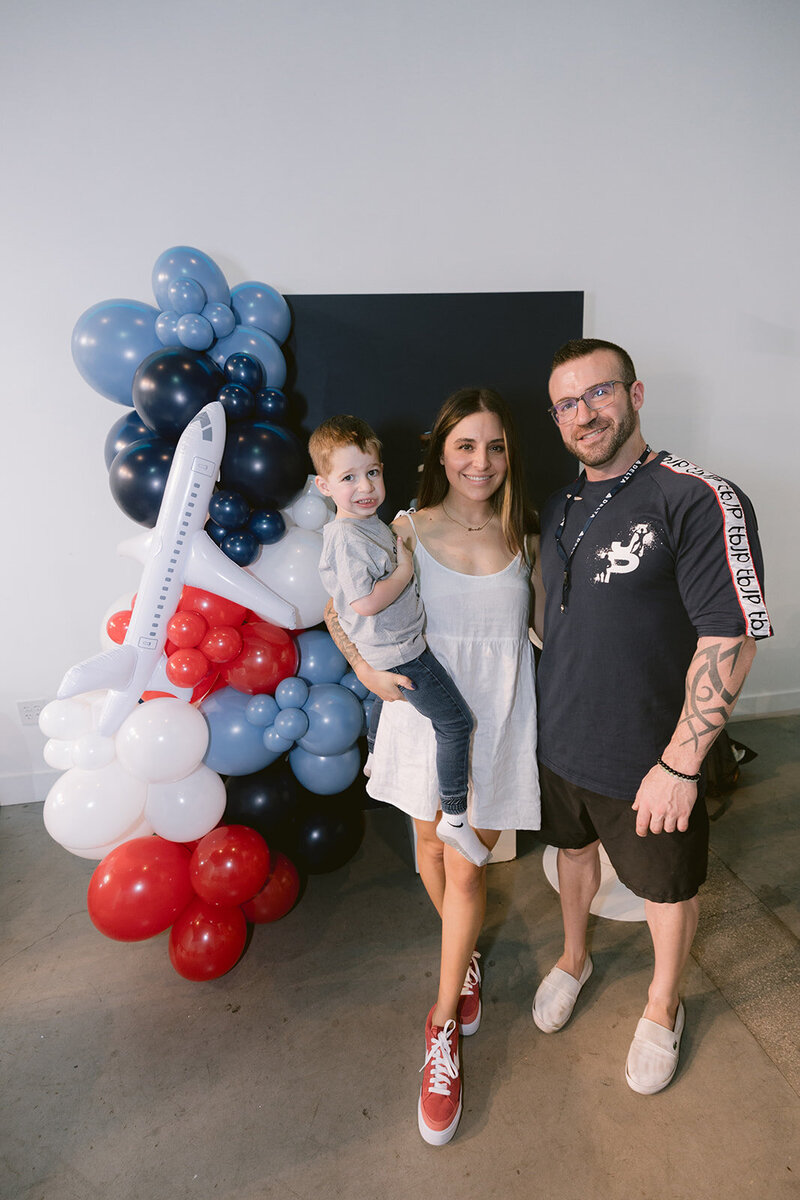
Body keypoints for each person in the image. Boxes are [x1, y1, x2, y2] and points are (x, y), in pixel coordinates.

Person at [533, 337, 772, 1095]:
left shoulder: (697, 496)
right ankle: (575, 956)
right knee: (573, 857)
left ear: (635, 395)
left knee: (666, 890)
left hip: (649, 759)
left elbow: (729, 638)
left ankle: (662, 1003)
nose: (584, 412)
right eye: (567, 403)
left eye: (598, 393)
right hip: (560, 740)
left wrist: (680, 765)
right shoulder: (561, 503)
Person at [324, 388, 543, 1145]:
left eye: (495, 447)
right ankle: (466, 963)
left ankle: (440, 1024)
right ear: (441, 453)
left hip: (496, 723)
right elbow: (339, 607)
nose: (480, 462)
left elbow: (547, 635)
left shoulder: (526, 535)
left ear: (509, 455)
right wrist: (364, 669)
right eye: (466, 446)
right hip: (423, 717)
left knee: (469, 869)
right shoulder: (403, 526)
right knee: (427, 851)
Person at [310, 414, 487, 867]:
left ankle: (374, 759)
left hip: (391, 647)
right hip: (403, 651)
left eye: (372, 472)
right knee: (456, 724)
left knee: (384, 707)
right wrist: (405, 570)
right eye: (348, 477)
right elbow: (364, 602)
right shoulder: (348, 537)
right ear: (323, 486)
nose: (365, 486)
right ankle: (454, 816)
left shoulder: (368, 524)